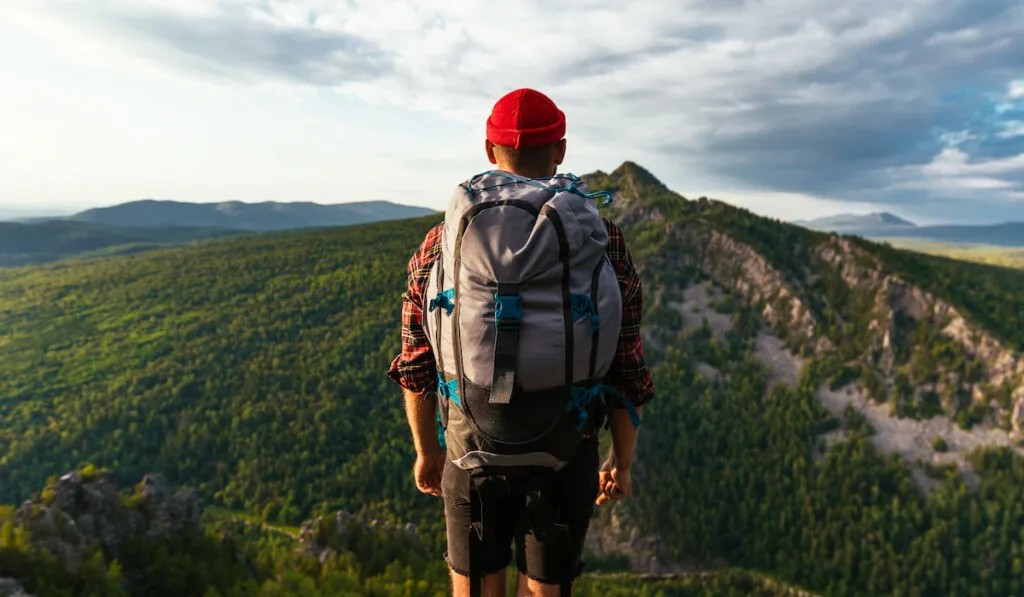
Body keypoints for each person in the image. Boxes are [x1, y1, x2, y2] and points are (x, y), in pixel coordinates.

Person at [387, 88, 654, 597]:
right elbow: (627, 366)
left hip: (471, 450)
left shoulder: (441, 241)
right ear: (561, 150)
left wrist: (427, 451)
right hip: (565, 450)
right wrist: (621, 461)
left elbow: (416, 361)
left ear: (491, 152)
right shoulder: (603, 239)